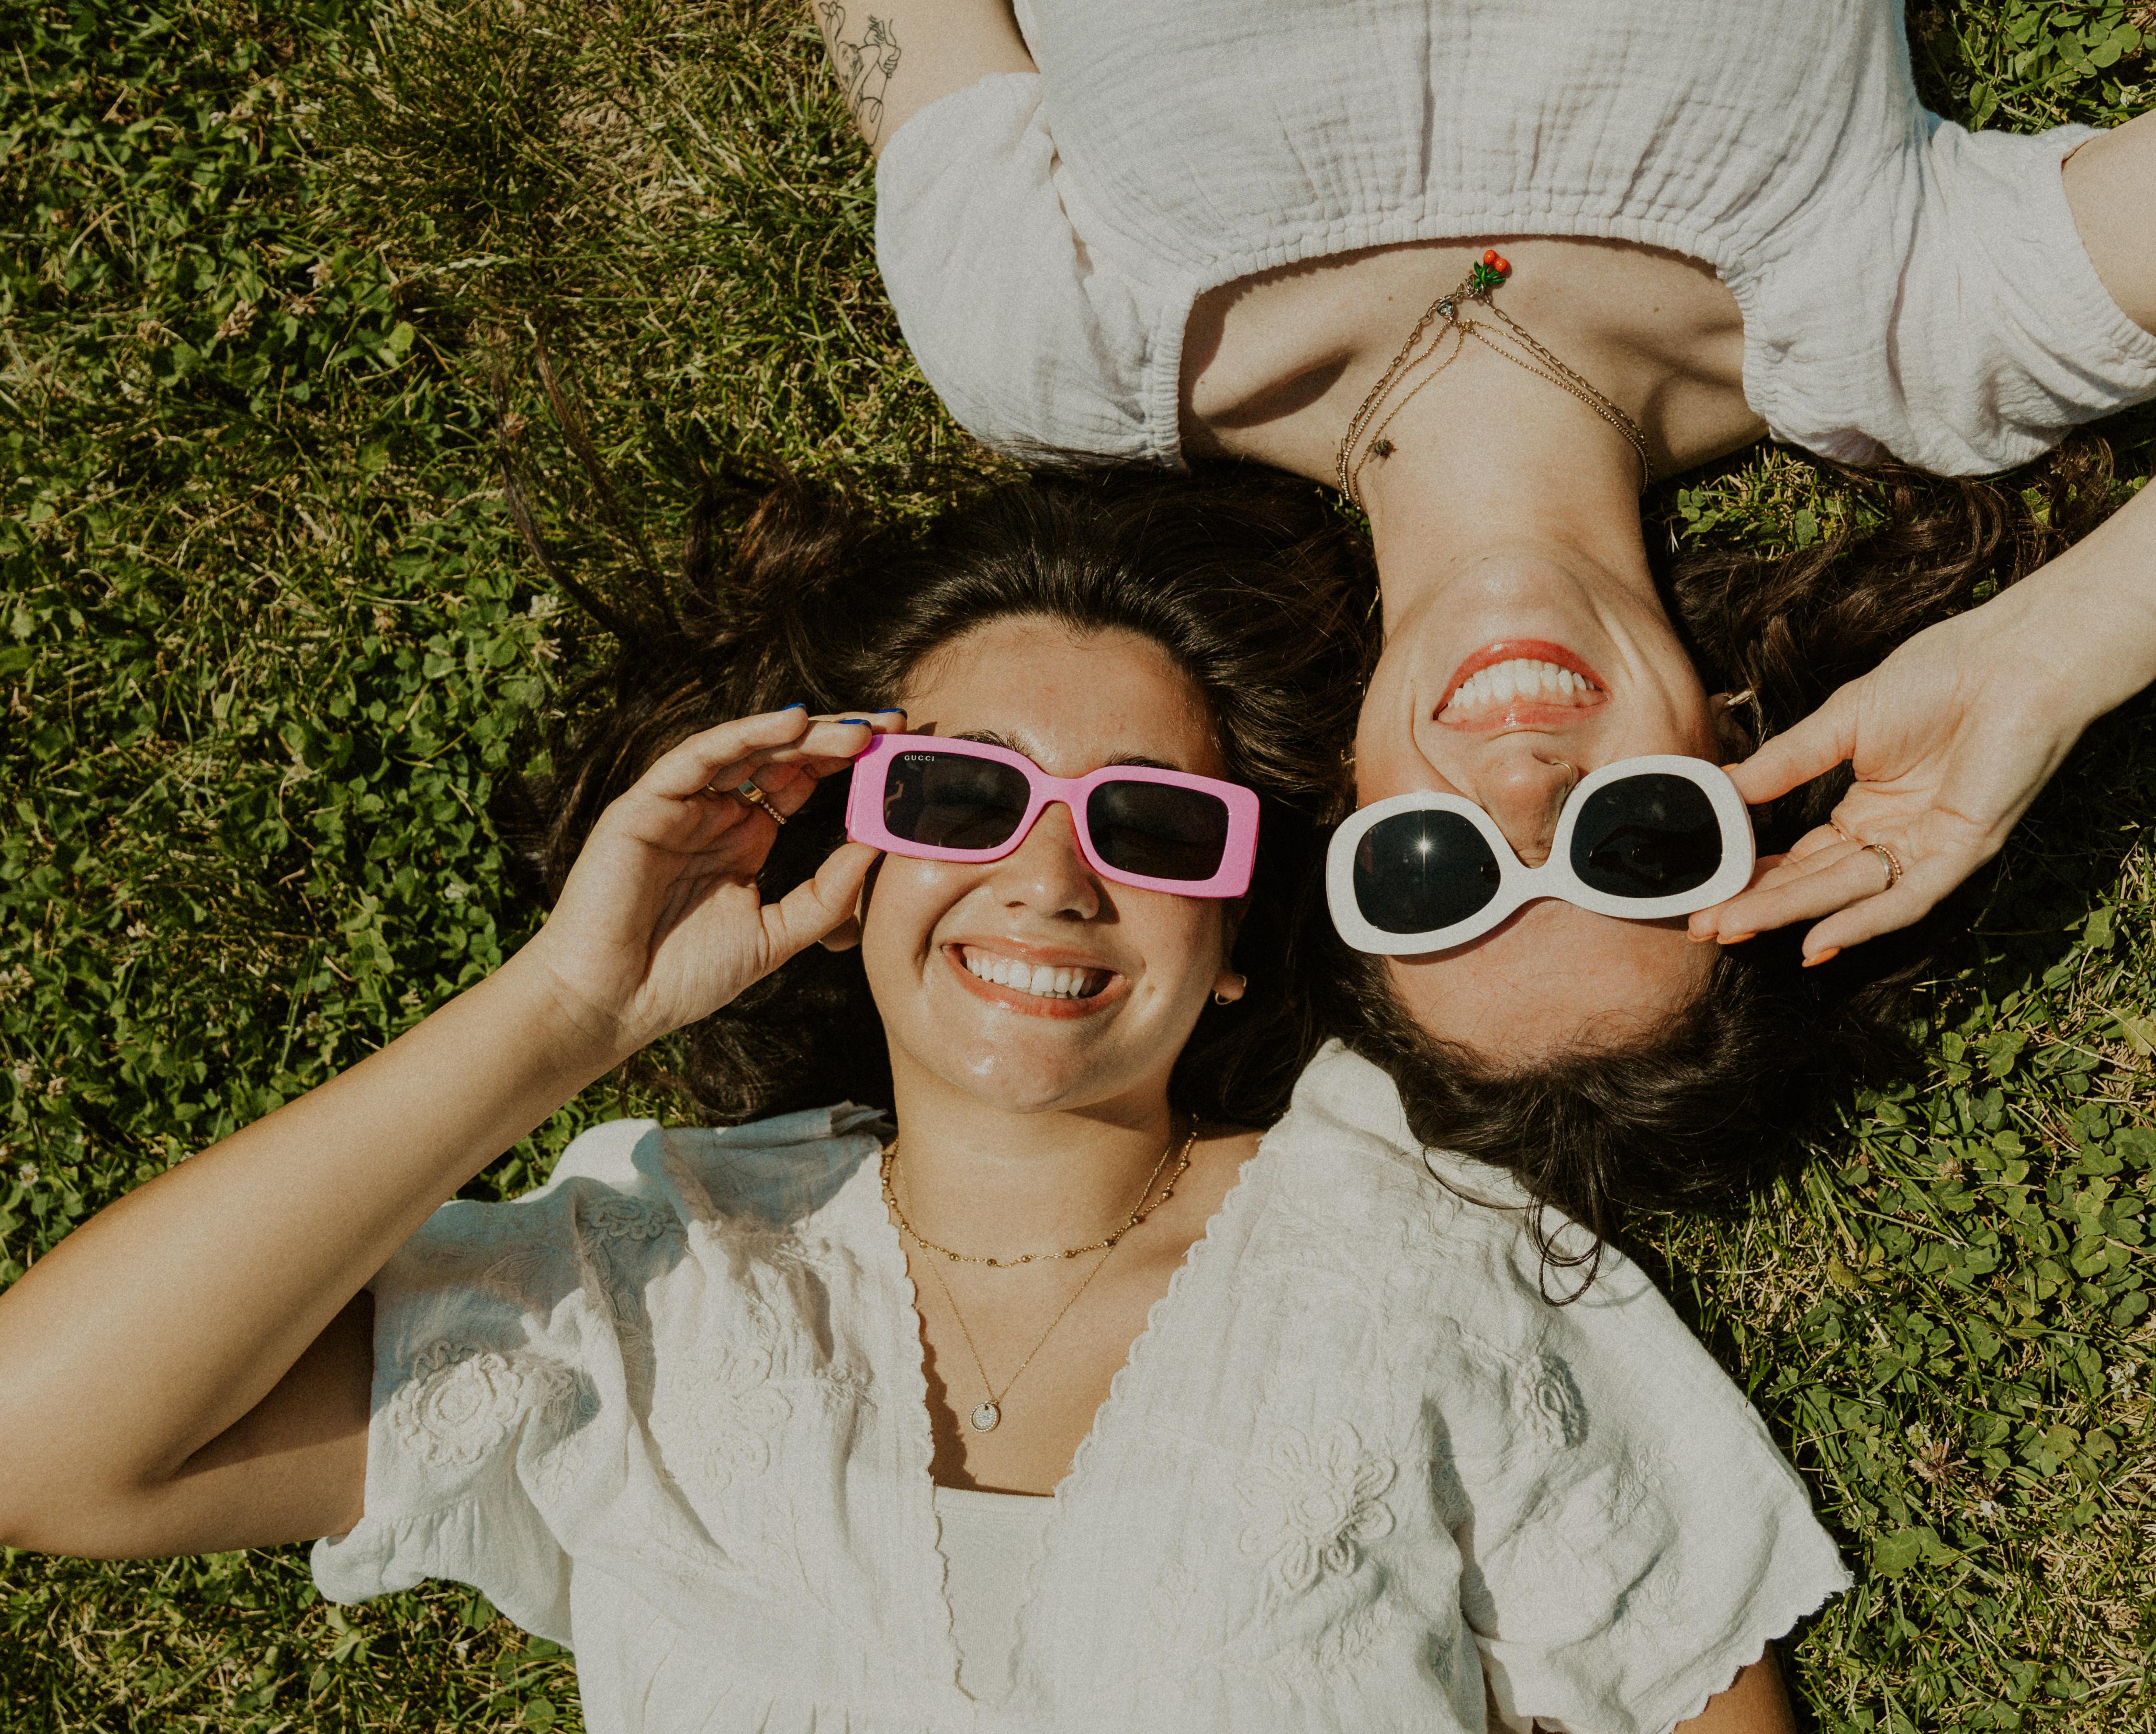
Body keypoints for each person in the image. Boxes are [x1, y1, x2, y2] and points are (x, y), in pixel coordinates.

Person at [0, 467, 1848, 1731]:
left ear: (1233, 930)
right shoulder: (649, 1287)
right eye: (960, 798)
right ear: (852, 859)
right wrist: (569, 1011)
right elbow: (43, 1447)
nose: (1047, 877)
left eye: (1150, 823)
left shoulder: (1426, 1255)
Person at [826, 0, 2156, 1213]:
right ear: (1740, 758)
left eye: (1431, 873)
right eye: (1636, 847)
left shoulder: (1050, 343)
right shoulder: (1906, 323)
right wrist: (2063, 646)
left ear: (1334, 809)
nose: (1525, 785)